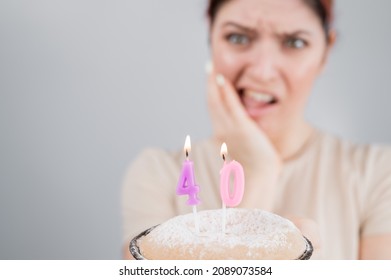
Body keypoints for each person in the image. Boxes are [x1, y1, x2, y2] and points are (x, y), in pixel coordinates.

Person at [122, 0, 391, 259]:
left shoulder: (378, 175)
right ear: (211, 37)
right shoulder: (157, 174)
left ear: (325, 52)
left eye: (295, 42)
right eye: (238, 38)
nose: (262, 71)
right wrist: (258, 171)